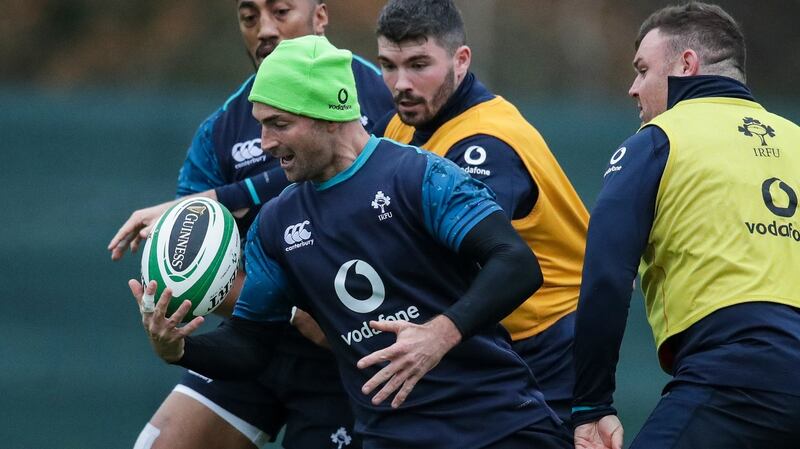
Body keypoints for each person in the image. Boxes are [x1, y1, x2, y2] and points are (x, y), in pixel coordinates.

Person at [131, 35, 572, 449]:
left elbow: (515, 263)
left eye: (279, 124)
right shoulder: (276, 224)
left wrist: (439, 334)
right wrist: (179, 349)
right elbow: (250, 346)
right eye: (261, 125)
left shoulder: (418, 176)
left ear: (329, 116)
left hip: (498, 426)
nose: (265, 143)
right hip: (391, 438)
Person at [111, 1, 393, 449]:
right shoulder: (221, 129)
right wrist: (295, 314)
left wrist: (224, 196)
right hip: (258, 338)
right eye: (249, 18)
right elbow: (199, 269)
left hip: (350, 351)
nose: (265, 29)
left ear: (320, 16)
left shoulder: (380, 93)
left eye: (280, 11)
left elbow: (364, 167)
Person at [572, 3, 800, 449]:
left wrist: (591, 404)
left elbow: (605, 276)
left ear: (686, 65)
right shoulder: (795, 139)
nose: (633, 88)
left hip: (735, 374)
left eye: (643, 70)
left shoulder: (659, 140)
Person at [375, 0, 588, 425]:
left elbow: (488, 263)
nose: (401, 83)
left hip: (549, 339)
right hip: (493, 334)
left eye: (419, 65)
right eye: (388, 65)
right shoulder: (403, 124)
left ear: (461, 60)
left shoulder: (485, 143)